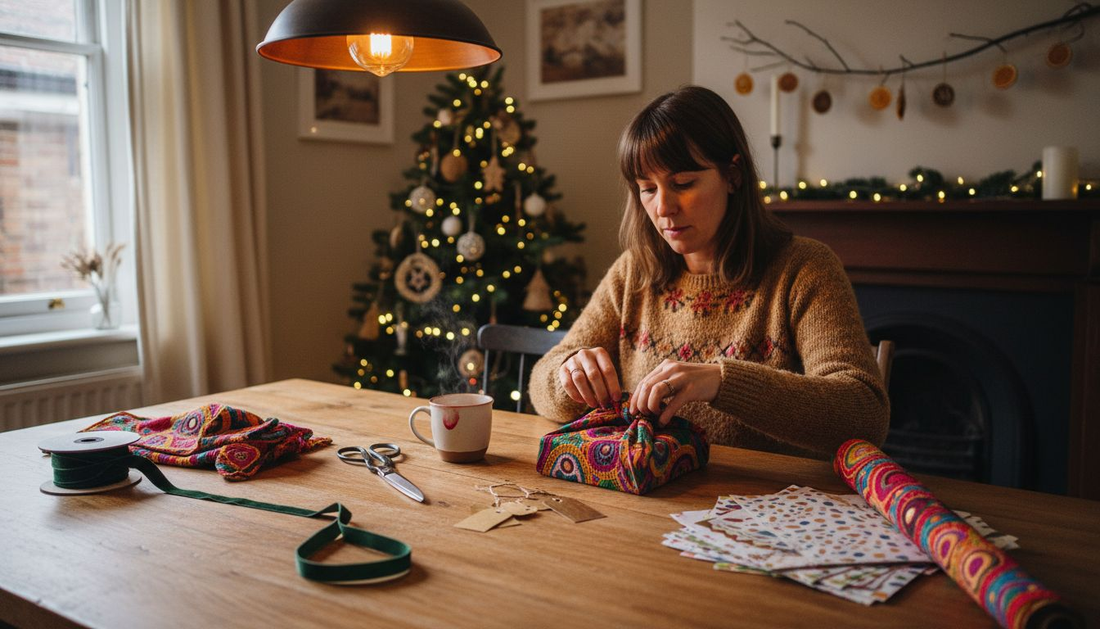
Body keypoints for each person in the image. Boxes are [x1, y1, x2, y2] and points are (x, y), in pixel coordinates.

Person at [528, 85, 888, 459]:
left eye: (682, 184)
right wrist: (567, 374)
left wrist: (721, 382)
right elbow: (541, 385)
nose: (663, 207)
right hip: (654, 500)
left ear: (733, 176)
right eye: (647, 189)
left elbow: (864, 414)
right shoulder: (634, 272)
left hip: (769, 506)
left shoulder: (803, 270)